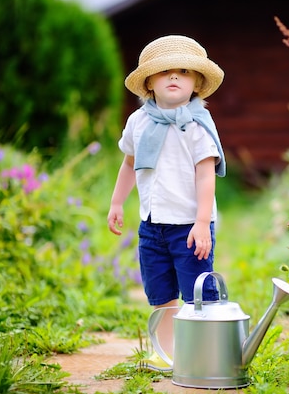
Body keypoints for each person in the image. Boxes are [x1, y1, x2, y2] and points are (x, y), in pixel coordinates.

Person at [107, 35, 226, 371]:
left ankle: (201, 354)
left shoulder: (197, 123)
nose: (174, 77)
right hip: (152, 224)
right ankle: (168, 352)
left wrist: (203, 222)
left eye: (184, 71)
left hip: (190, 225)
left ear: (196, 82)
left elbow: (206, 175)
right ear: (149, 82)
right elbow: (130, 163)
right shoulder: (138, 122)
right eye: (164, 72)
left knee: (197, 292)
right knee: (161, 293)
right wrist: (117, 202)